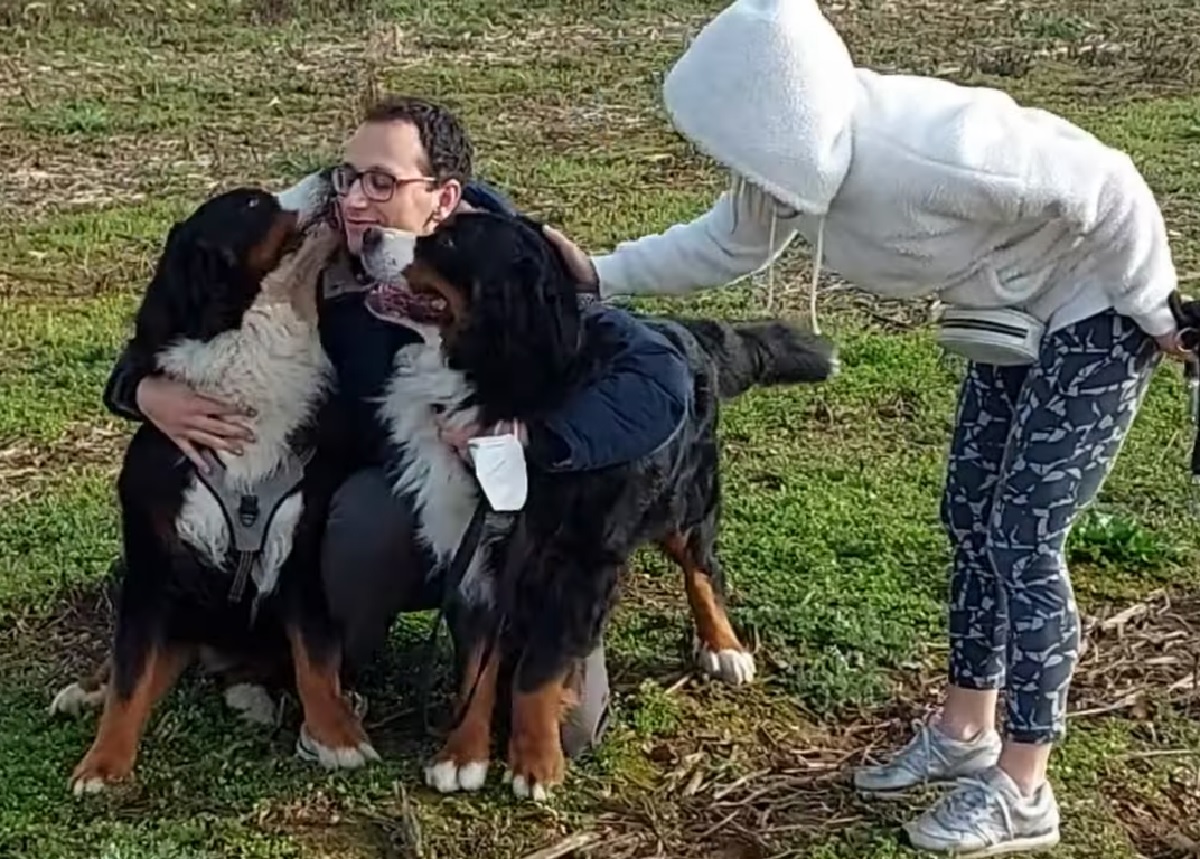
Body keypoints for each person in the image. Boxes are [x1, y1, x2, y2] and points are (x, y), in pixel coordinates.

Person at [541, 0, 1188, 853]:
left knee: (1023, 540)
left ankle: (1026, 784)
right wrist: (599, 273)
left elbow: (1107, 183)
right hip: (1008, 319)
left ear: (783, 117)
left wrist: (1157, 310)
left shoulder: (928, 148)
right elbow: (728, 243)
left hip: (1099, 312)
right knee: (970, 518)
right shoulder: (787, 167)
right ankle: (966, 729)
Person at [102, 96, 690, 762]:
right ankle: (328, 660)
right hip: (401, 502)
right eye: (348, 177)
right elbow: (191, 304)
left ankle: (531, 633)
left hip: (530, 529)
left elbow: (659, 381)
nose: (353, 199)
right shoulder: (320, 264)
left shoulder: (516, 271)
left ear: (444, 197)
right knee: (362, 517)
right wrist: (140, 387)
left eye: (382, 182)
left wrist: (533, 443)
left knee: (569, 732)